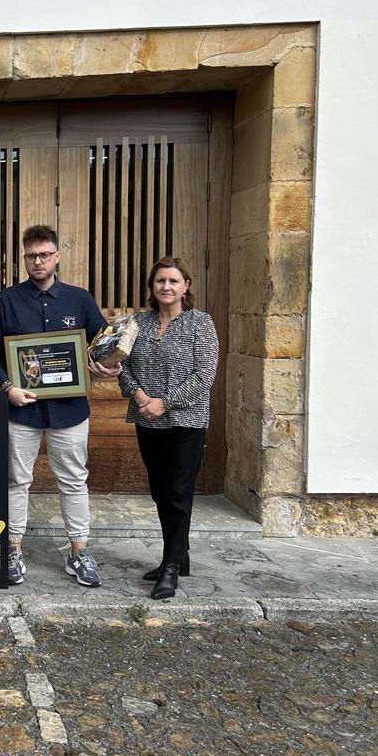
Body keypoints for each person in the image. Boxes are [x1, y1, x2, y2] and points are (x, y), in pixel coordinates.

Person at [0, 225, 119, 587]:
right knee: (15, 481)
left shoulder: (80, 299)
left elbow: (103, 346)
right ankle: (13, 551)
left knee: (74, 481)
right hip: (20, 411)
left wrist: (107, 364)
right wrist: (7, 387)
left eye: (44, 255)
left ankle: (79, 553)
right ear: (23, 258)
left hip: (70, 412)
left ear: (57, 256)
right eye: (31, 256)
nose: (38, 261)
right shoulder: (7, 300)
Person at [119, 257, 219, 600]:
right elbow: (121, 364)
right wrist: (140, 394)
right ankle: (180, 555)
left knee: (178, 492)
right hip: (148, 419)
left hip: (185, 421)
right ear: (153, 286)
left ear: (186, 286)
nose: (166, 286)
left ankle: (171, 567)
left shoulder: (200, 323)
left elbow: (204, 376)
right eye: (160, 280)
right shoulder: (138, 323)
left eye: (173, 281)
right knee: (160, 490)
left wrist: (165, 401)